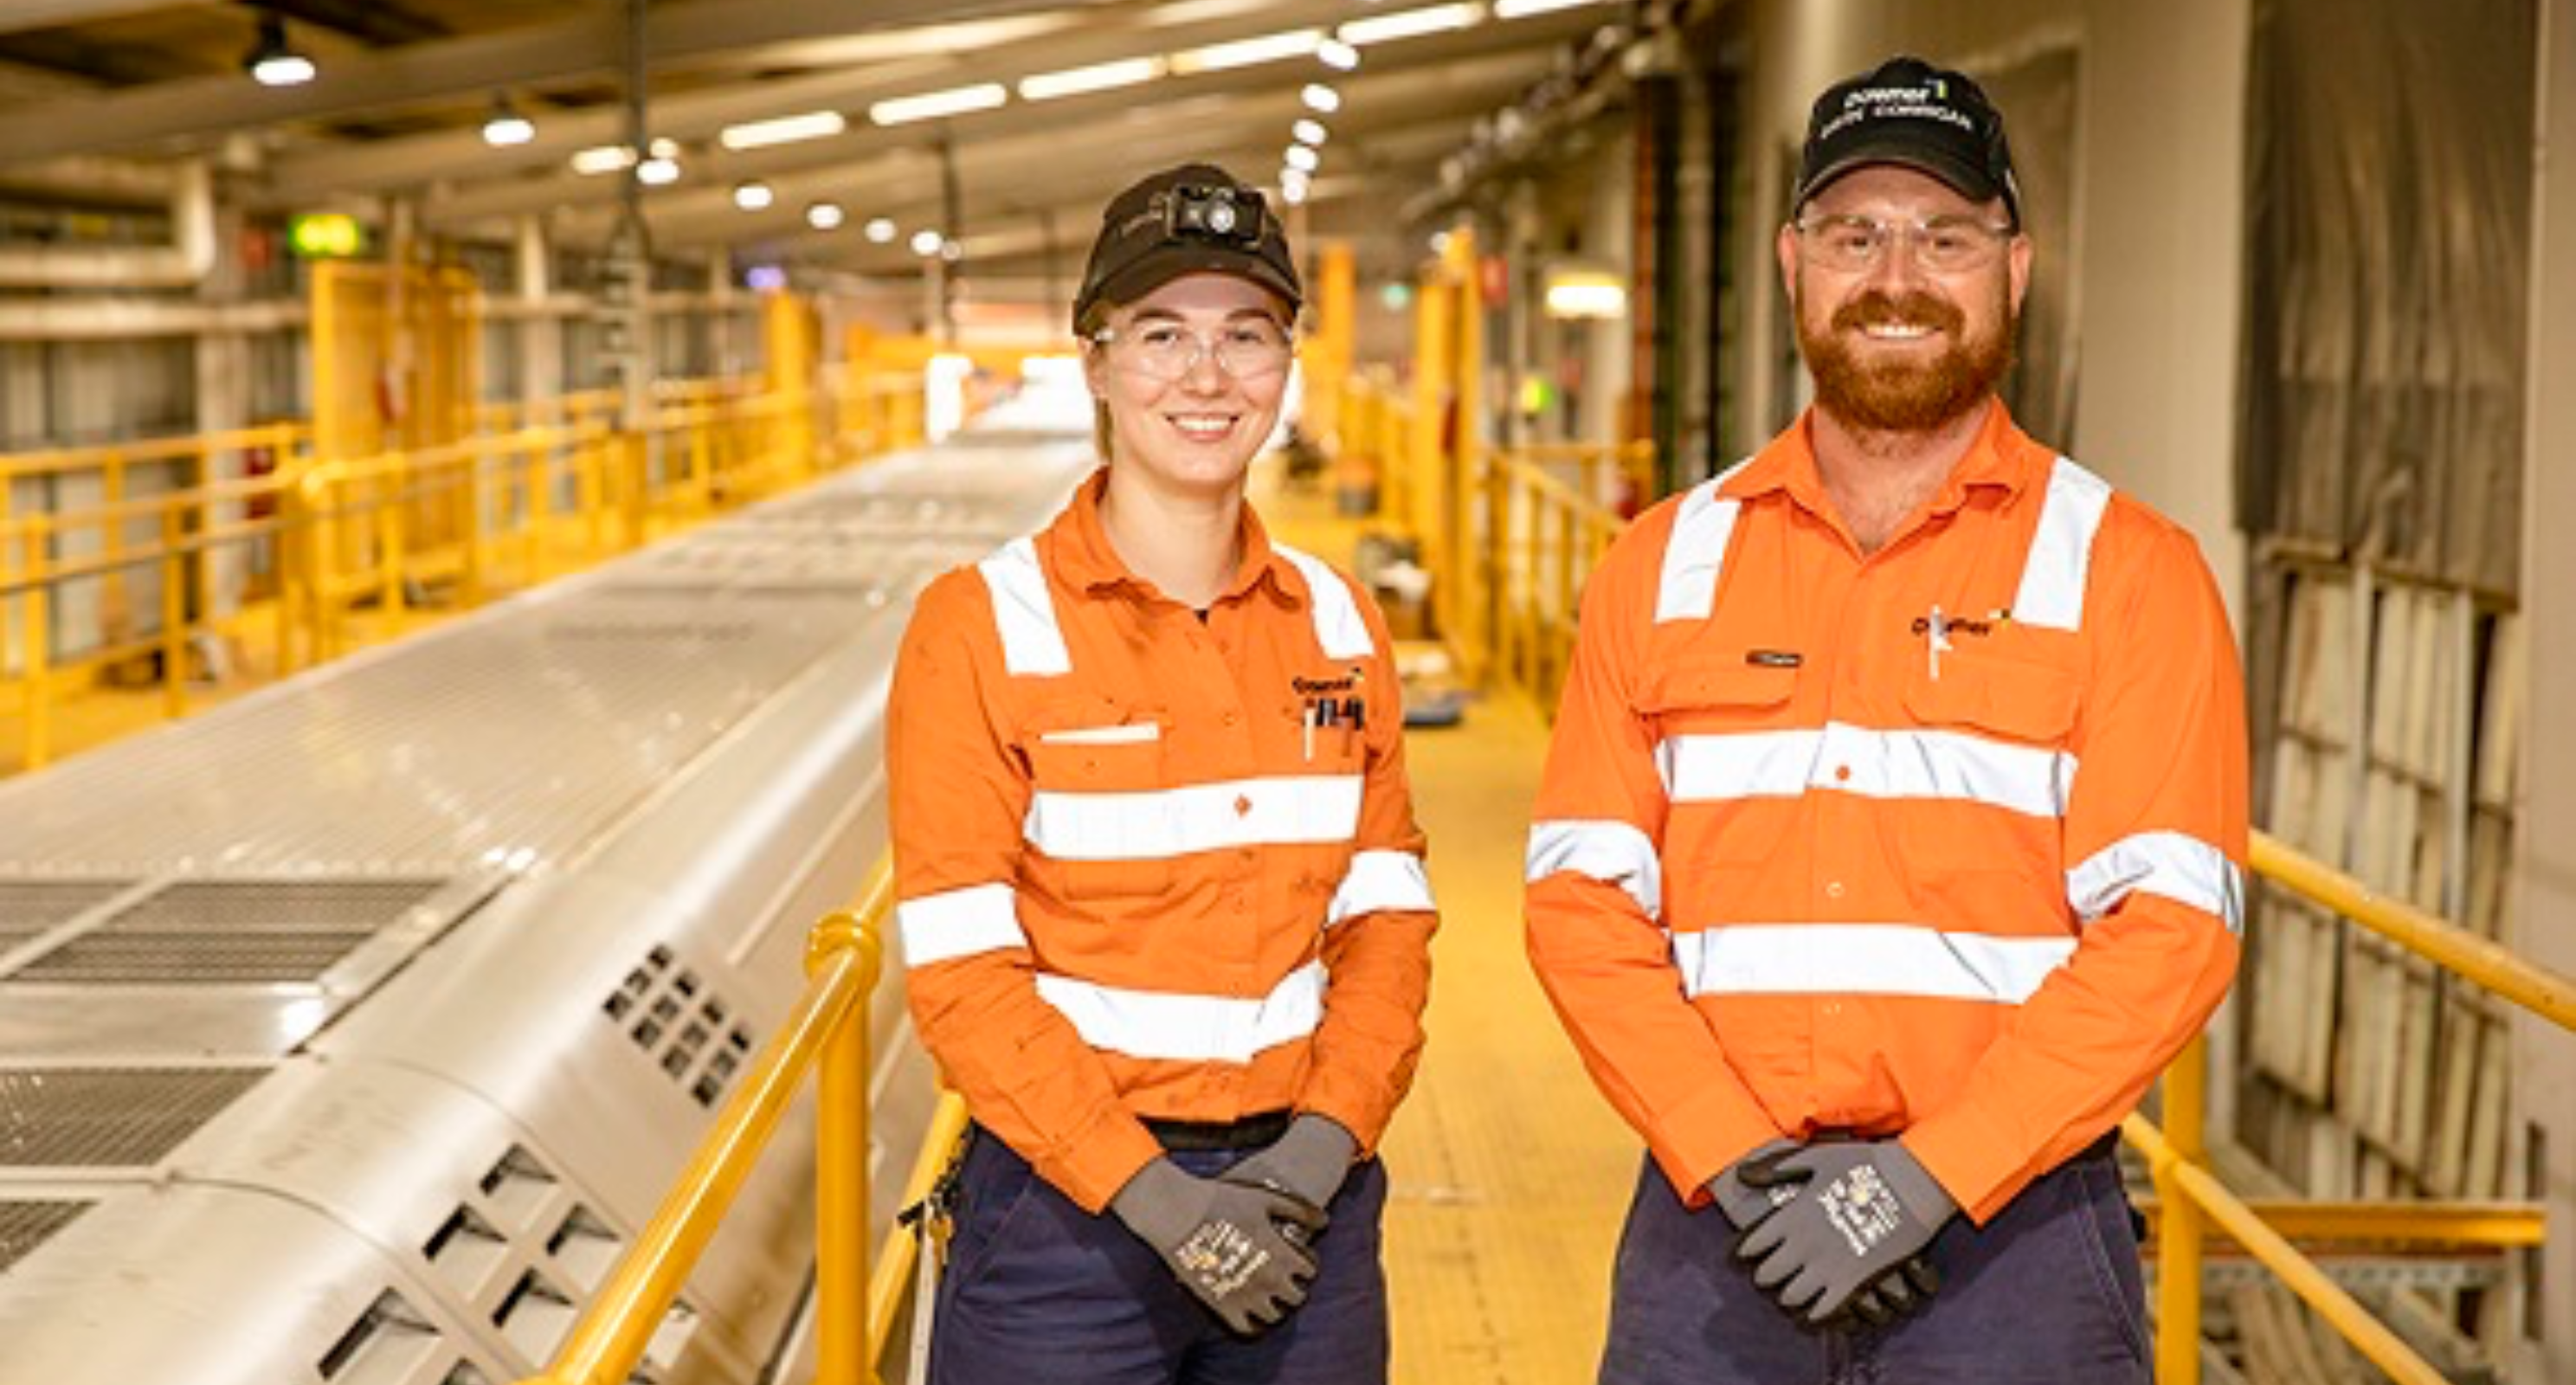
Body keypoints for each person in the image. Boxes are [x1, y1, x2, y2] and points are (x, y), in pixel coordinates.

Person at [1524, 55, 2247, 1384]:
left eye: (1946, 236)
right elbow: (1579, 901)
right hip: (1716, 1234)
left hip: (2016, 1242)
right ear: (1795, 263)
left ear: (2016, 268)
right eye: (1857, 235)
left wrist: (1926, 1179)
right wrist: (1733, 1156)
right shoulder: (1661, 562)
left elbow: (2175, 925)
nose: (1898, 276)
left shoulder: (2129, 571)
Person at [887, 162, 1439, 1385]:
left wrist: (1317, 1150)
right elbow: (964, 971)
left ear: (1285, 365)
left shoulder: (1341, 625)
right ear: (1096, 362)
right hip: (1066, 1226)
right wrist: (1152, 1199)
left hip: (1308, 1206)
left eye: (1247, 336)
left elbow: (1386, 922)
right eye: (1161, 335)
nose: (1206, 377)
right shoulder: (982, 626)